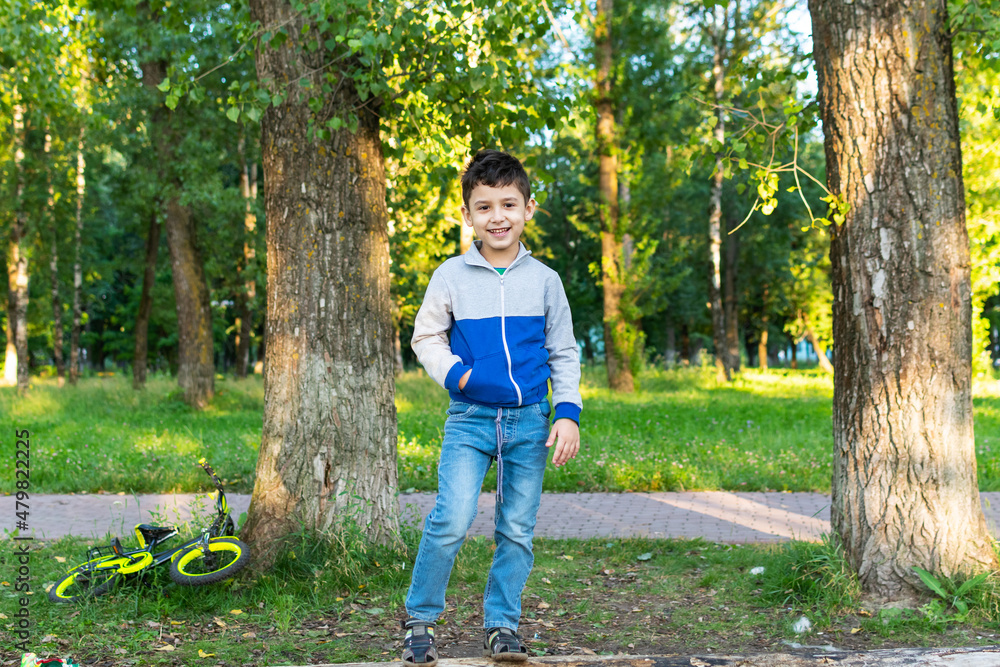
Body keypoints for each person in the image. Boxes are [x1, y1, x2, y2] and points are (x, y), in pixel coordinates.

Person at [401, 149, 582, 666]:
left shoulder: (545, 280)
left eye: (508, 204)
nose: (497, 216)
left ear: (529, 208)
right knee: (451, 520)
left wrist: (566, 412)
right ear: (468, 216)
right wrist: (460, 374)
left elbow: (563, 350)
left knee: (516, 529)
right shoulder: (451, 275)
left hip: (530, 423)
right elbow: (426, 337)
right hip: (470, 420)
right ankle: (419, 620)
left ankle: (502, 626)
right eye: (484, 207)